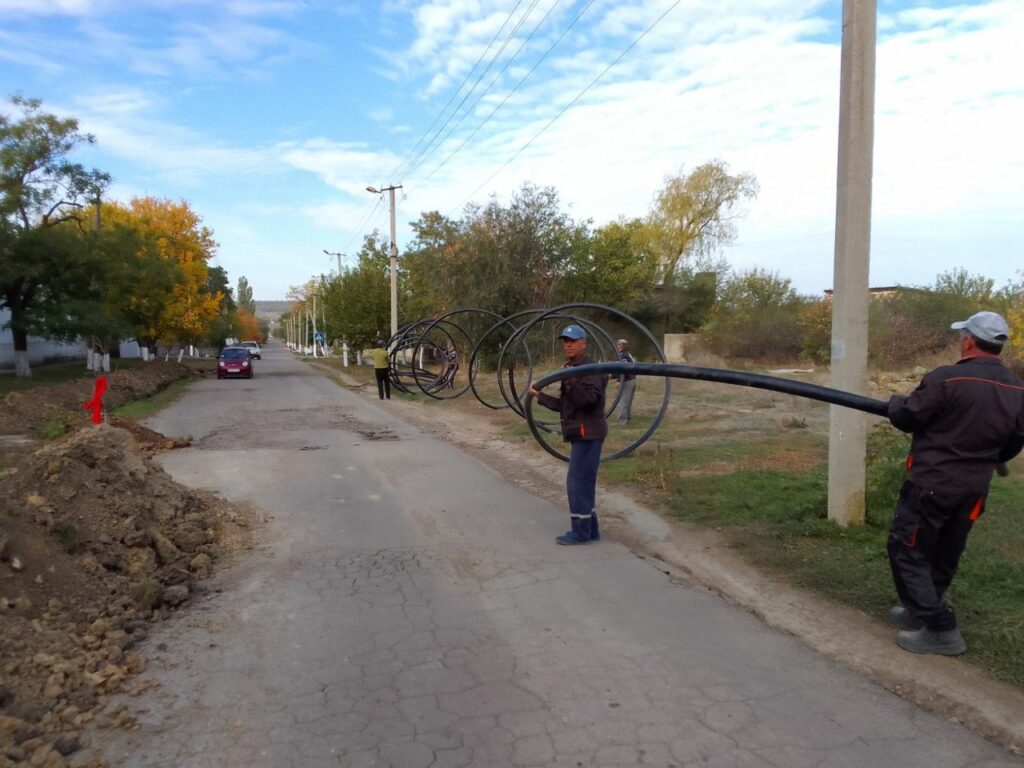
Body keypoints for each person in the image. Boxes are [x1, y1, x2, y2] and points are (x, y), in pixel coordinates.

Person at [886, 311, 1024, 655]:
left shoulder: (946, 379)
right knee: (946, 551)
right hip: (974, 489)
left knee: (908, 549)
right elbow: (1014, 442)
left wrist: (895, 404)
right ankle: (922, 608)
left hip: (932, 484)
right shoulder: (1017, 389)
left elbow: (907, 416)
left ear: (968, 341)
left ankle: (940, 628)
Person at [529, 324, 608, 545]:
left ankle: (581, 533)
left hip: (588, 434)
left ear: (584, 343)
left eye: (573, 340)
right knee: (583, 482)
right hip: (581, 434)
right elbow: (566, 405)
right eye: (565, 341)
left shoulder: (587, 369)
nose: (568, 344)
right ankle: (590, 529)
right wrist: (540, 397)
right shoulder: (573, 368)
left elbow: (589, 401)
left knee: (577, 483)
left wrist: (571, 382)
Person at [612, 338, 637, 424]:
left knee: (622, 401)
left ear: (623, 346)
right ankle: (628, 417)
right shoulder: (628, 354)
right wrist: (612, 376)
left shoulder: (622, 355)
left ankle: (622, 420)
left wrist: (619, 380)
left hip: (627, 380)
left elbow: (623, 369)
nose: (618, 346)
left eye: (619, 345)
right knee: (628, 401)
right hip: (632, 379)